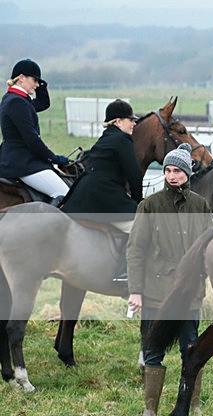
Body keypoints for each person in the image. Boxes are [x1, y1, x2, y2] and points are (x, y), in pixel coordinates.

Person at [126, 143, 213, 416]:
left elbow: (209, 248)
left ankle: (194, 405)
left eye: (177, 170)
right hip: (156, 293)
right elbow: (136, 249)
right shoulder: (150, 205)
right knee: (154, 351)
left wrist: (203, 280)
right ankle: (149, 409)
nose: (172, 176)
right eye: (168, 170)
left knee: (192, 349)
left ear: (187, 173)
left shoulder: (200, 205)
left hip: (189, 294)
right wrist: (136, 291)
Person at [61, 99, 142, 282]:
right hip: (103, 196)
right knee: (140, 225)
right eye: (130, 120)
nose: (134, 123)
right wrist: (139, 203)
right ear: (118, 121)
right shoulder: (122, 139)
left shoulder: (105, 137)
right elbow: (134, 175)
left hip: (84, 194)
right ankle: (125, 272)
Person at [0, 58, 70, 204]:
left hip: (21, 159)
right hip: (23, 162)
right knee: (65, 194)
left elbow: (43, 103)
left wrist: (41, 85)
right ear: (21, 78)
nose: (37, 84)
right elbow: (32, 140)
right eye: (35, 80)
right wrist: (53, 158)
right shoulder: (17, 102)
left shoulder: (15, 99)